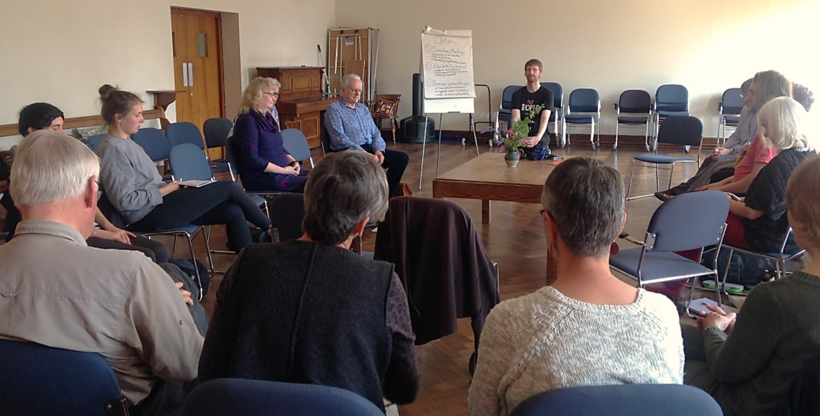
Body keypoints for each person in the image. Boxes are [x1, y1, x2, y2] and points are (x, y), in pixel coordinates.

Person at [0, 131, 204, 415]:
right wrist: (166, 303)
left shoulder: (134, 273)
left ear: (12, 194)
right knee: (189, 305)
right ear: (90, 193)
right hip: (121, 408)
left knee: (170, 275)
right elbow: (185, 365)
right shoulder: (131, 272)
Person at [198, 151, 420, 411]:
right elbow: (404, 387)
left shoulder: (247, 262)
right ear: (361, 226)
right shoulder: (382, 283)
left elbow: (210, 369)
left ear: (307, 202)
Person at [468, 157, 683, 416]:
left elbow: (481, 410)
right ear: (620, 225)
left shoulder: (508, 322)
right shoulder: (664, 315)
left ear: (549, 226)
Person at [682, 154, 820, 416]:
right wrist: (745, 327)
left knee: (666, 350)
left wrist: (714, 329)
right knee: (672, 330)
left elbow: (726, 370)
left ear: (797, 222)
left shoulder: (776, 297)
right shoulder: (779, 300)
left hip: (744, 405)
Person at [95, 85, 271, 253]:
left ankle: (247, 261)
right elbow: (126, 201)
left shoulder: (126, 142)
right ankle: (272, 229)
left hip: (159, 203)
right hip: (147, 215)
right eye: (138, 115)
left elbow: (146, 183)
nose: (142, 120)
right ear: (119, 117)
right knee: (229, 188)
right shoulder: (113, 150)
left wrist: (171, 186)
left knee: (233, 211)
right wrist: (165, 190)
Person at [2, 102, 169, 263]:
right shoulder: (28, 172)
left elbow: (86, 200)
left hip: (86, 228)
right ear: (32, 132)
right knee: (147, 256)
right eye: (55, 128)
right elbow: (53, 227)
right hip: (67, 238)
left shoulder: (61, 162)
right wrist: (102, 233)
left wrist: (111, 227)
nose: (62, 134)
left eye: (62, 127)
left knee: (159, 251)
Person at [656, 78, 757, 199]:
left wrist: (729, 151)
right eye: (743, 95)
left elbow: (752, 143)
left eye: (747, 95)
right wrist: (723, 148)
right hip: (736, 151)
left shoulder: (763, 114)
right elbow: (737, 135)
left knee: (717, 163)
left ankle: (688, 195)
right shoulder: (745, 110)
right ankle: (683, 190)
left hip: (744, 153)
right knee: (709, 159)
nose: (745, 99)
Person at [325, 74, 409, 198]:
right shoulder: (334, 110)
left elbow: (375, 132)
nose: (358, 93)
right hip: (349, 151)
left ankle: (385, 196)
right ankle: (371, 198)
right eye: (354, 90)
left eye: (359, 90)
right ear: (343, 90)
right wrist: (364, 154)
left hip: (370, 149)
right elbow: (339, 139)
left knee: (401, 159)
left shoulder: (363, 109)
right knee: (368, 166)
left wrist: (378, 150)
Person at [231, 77, 309, 192]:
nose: (275, 98)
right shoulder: (247, 121)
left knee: (323, 177)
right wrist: (283, 170)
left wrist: (293, 162)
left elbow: (278, 146)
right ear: (256, 94)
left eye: (276, 95)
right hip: (263, 178)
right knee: (315, 184)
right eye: (271, 94)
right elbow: (253, 159)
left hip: (282, 171)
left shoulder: (268, 118)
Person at [510, 59, 553, 160]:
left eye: (534, 70)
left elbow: (544, 118)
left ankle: (543, 149)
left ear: (540, 73)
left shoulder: (547, 94)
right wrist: (518, 137)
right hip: (522, 134)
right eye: (528, 70)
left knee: (535, 155)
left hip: (538, 133)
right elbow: (516, 118)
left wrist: (537, 138)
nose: (531, 72)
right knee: (513, 155)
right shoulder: (517, 94)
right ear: (525, 73)